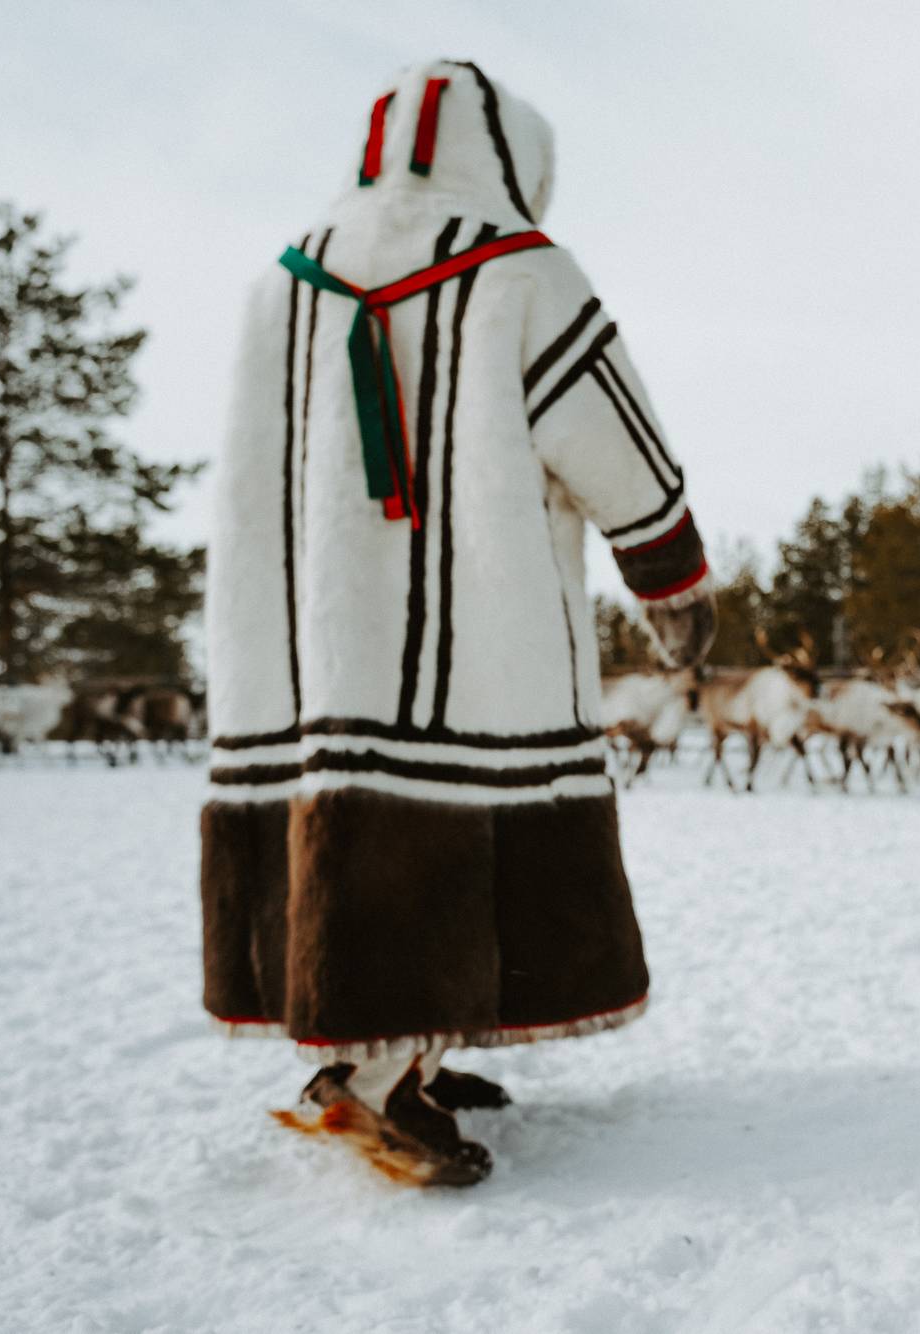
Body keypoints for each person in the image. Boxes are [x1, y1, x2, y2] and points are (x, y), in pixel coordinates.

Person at [200, 59, 714, 1186]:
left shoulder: (280, 280)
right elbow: (611, 435)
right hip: (478, 637)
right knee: (454, 809)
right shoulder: (521, 268)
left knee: (342, 808)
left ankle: (398, 1047)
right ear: (514, 162)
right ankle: (373, 1082)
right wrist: (671, 579)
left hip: (306, 641)